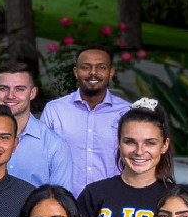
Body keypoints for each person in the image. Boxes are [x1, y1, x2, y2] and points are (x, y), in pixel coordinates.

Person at [0, 63, 73, 190]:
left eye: (19, 89)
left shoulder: (55, 145)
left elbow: (61, 202)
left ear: (32, 93)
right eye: (3, 88)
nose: (10, 95)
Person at [41, 45, 132, 195]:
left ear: (111, 73)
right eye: (86, 67)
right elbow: (42, 160)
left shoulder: (127, 112)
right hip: (66, 203)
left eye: (101, 67)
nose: (93, 73)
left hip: (111, 202)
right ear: (76, 72)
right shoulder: (55, 110)